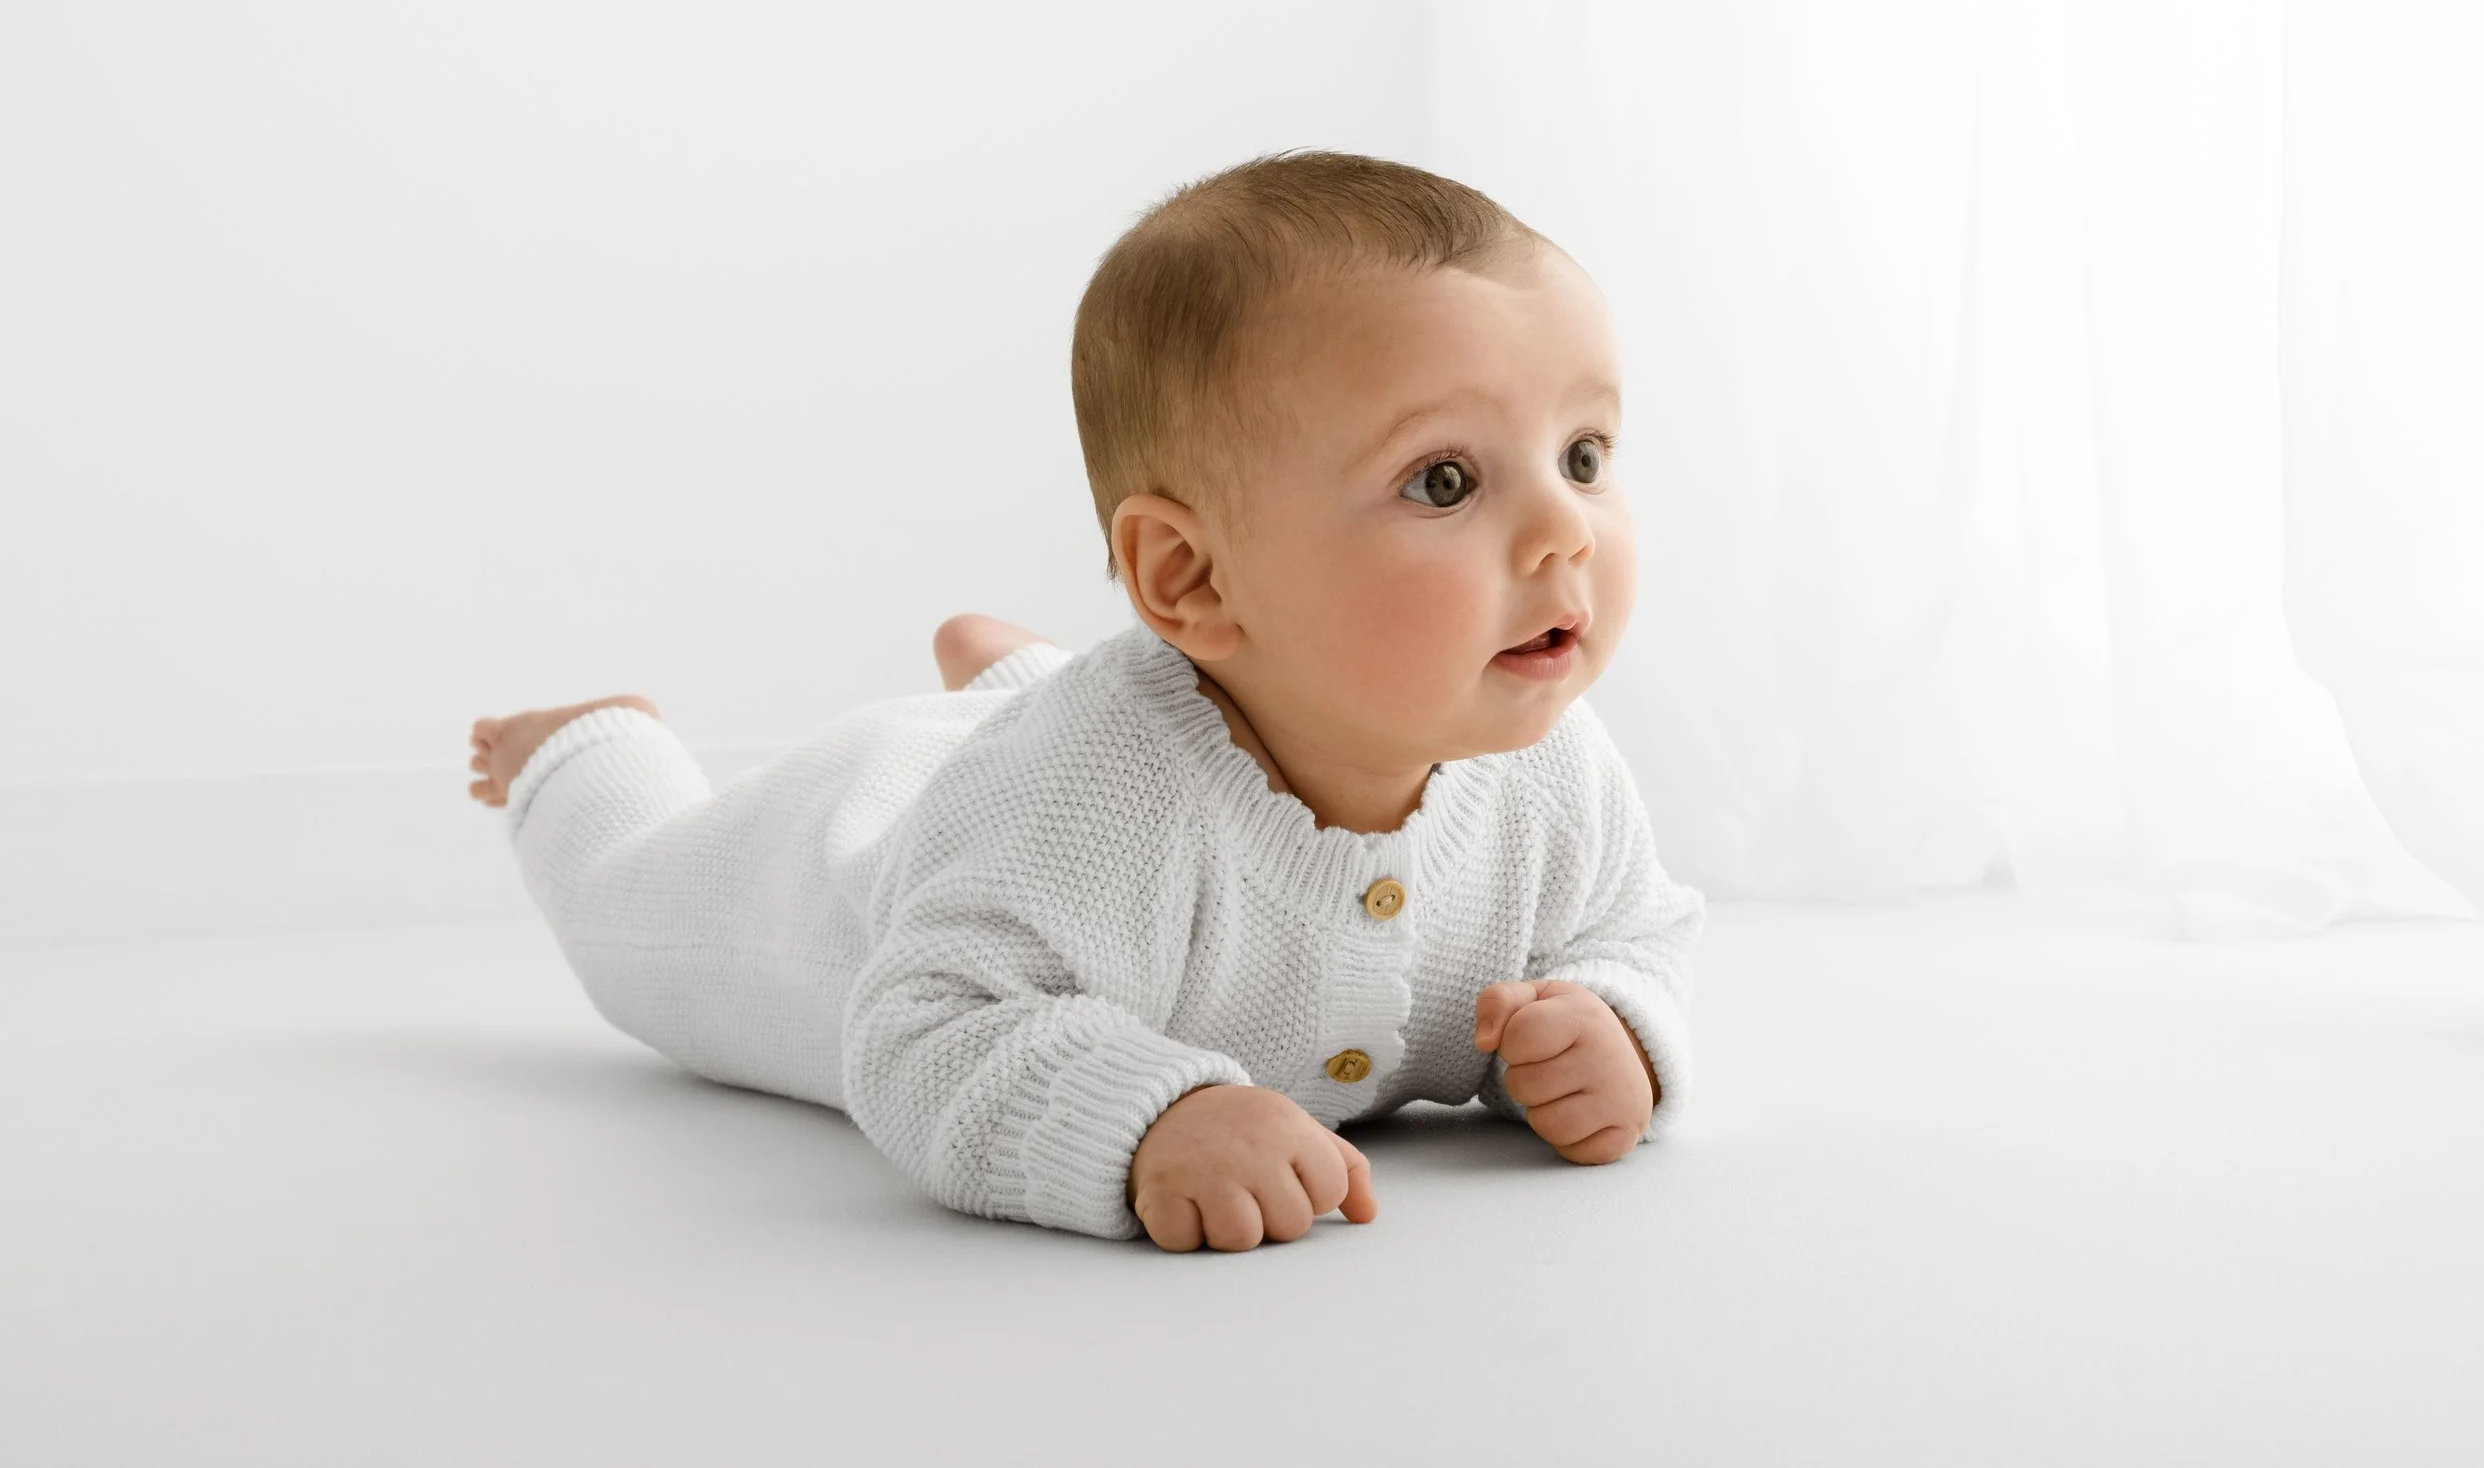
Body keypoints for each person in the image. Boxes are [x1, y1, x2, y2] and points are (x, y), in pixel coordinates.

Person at [465, 149, 1705, 1252]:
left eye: (1583, 454)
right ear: (1189, 579)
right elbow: (924, 1023)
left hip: (1088, 742)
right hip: (859, 846)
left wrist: (1615, 1020)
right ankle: (581, 746)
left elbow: (1633, 924)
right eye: (1443, 480)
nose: (1564, 531)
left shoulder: (1548, 757)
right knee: (631, 906)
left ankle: (1021, 669)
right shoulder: (1081, 807)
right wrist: (1152, 1115)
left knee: (1090, 726)